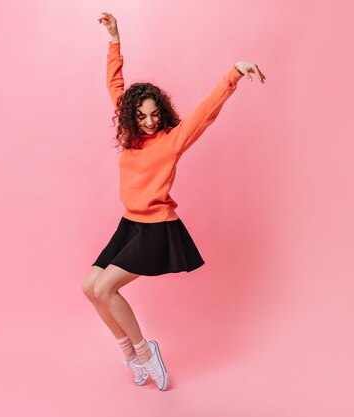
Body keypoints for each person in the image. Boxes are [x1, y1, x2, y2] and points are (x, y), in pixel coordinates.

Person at [82, 12, 265, 391]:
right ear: (132, 116)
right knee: (90, 287)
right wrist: (114, 39)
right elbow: (115, 84)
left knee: (105, 289)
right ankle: (132, 356)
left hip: (156, 229)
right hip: (129, 224)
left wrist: (234, 72)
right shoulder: (132, 136)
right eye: (141, 115)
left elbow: (205, 112)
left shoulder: (171, 139)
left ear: (161, 113)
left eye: (154, 114)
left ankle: (146, 352)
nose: (149, 121)